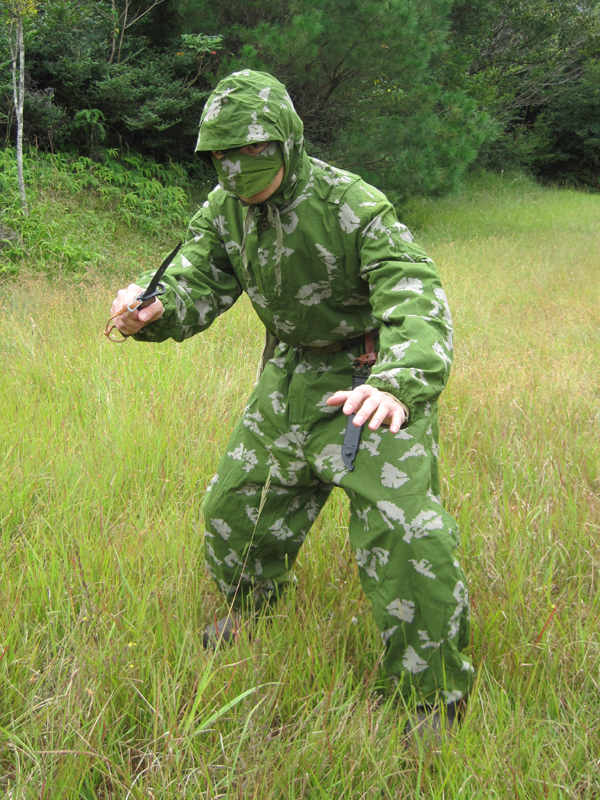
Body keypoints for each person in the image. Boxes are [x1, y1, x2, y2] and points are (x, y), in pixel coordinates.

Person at [109, 69, 473, 744]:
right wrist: (152, 313)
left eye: (253, 150)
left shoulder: (351, 204)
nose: (238, 167)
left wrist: (397, 381)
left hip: (368, 380)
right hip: (289, 375)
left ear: (286, 141)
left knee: (409, 536)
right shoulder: (223, 210)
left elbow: (417, 295)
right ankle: (250, 611)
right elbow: (196, 281)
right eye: (222, 154)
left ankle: (430, 698)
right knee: (234, 508)